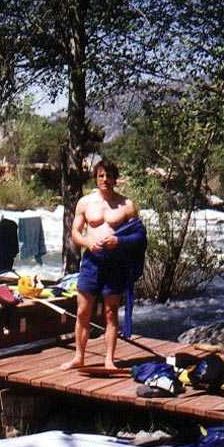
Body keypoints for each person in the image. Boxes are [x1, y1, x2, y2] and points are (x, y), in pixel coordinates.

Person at [61, 159, 138, 370]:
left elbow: (138, 236)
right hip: (91, 263)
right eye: (101, 175)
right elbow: (75, 232)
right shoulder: (85, 203)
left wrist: (119, 241)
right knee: (83, 312)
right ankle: (79, 357)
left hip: (115, 264)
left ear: (115, 179)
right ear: (96, 178)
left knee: (111, 313)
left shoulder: (127, 205)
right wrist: (87, 242)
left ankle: (109, 360)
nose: (105, 179)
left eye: (109, 176)